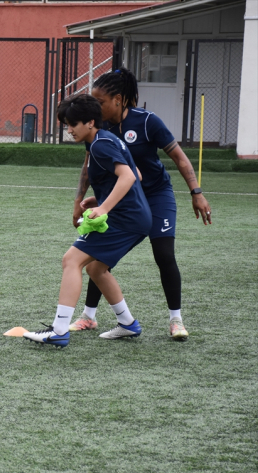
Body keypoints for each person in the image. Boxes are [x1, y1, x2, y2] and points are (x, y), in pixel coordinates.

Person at [69, 68, 212, 341]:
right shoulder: (98, 127)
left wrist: (196, 192)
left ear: (118, 100)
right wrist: (80, 200)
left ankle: (176, 320)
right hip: (123, 199)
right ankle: (88, 316)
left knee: (164, 254)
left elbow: (179, 158)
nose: (95, 107)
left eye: (100, 102)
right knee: (100, 255)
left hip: (156, 195)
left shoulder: (147, 121)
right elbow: (90, 166)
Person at [23, 94, 151, 348]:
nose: (69, 130)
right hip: (136, 218)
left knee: (71, 260)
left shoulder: (101, 145)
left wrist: (104, 207)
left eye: (73, 124)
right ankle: (127, 323)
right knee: (95, 269)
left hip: (126, 219)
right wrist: (100, 197)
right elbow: (136, 173)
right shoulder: (106, 139)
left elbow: (128, 177)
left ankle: (59, 331)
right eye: (66, 125)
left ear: (90, 122)